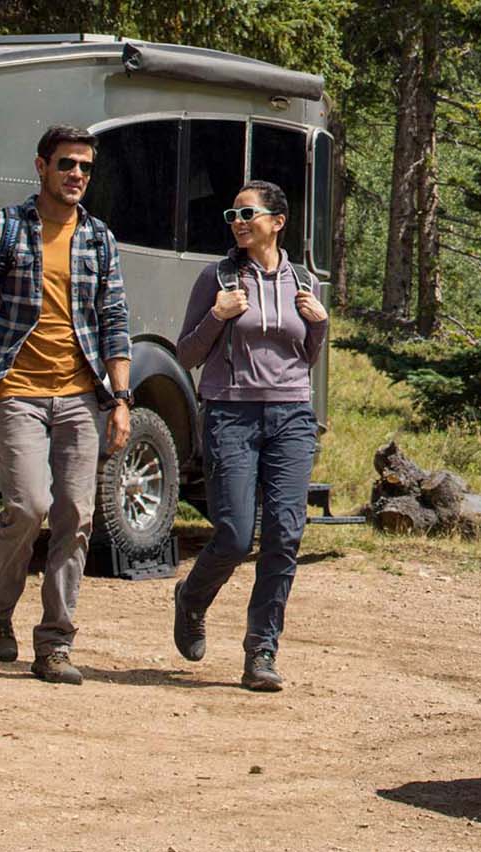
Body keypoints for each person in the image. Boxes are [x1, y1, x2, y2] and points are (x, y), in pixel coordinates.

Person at [0, 125, 131, 685]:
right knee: (29, 507)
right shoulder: (1, 230)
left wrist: (122, 399)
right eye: (67, 164)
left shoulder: (99, 239)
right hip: (16, 390)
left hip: (80, 395)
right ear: (41, 166)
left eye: (85, 167)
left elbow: (116, 322)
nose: (77, 175)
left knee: (76, 516)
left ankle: (55, 642)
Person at [170, 180, 327, 693]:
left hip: (291, 416)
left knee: (285, 535)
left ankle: (262, 650)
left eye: (248, 213)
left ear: (277, 222)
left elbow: (306, 357)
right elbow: (187, 356)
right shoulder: (215, 278)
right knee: (236, 535)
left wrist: (320, 326)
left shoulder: (303, 280)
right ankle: (192, 599)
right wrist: (217, 317)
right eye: (233, 215)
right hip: (231, 414)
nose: (238, 222)